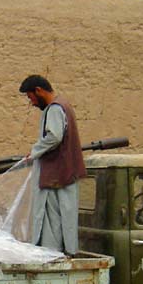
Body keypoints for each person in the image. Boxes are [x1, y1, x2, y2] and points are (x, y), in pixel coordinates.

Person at [19, 75, 86, 255]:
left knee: (52, 221)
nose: (31, 102)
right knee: (63, 218)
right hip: (63, 174)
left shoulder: (55, 109)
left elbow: (55, 136)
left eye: (30, 97)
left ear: (38, 91)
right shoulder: (64, 105)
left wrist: (35, 152)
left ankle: (52, 255)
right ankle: (62, 252)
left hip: (57, 175)